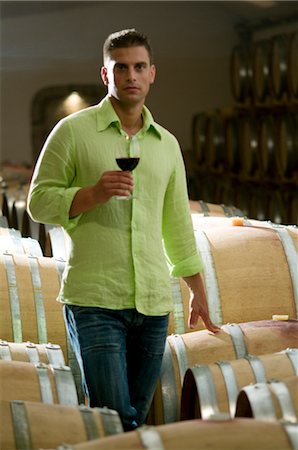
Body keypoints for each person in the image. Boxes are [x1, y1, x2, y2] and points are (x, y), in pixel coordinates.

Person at [27, 28, 220, 431]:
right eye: (121, 68)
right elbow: (39, 201)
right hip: (95, 299)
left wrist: (197, 289)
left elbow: (177, 224)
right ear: (105, 75)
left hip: (152, 303)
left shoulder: (166, 144)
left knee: (133, 419)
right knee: (114, 420)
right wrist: (92, 194)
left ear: (152, 73)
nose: (131, 75)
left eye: (139, 67)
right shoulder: (72, 132)